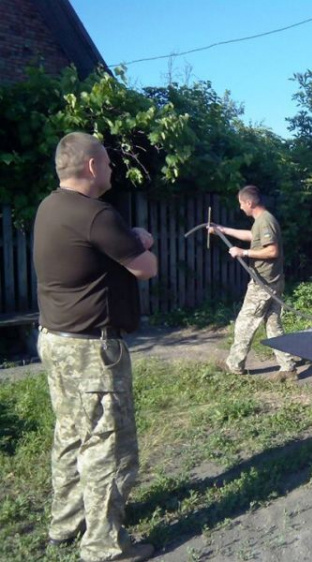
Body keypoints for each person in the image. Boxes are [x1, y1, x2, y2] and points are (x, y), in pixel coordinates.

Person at [33, 132, 158, 562]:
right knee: (106, 444)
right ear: (91, 167)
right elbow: (145, 268)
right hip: (91, 351)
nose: (110, 170)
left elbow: (95, 258)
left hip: (56, 340)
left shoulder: (50, 207)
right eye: (106, 163)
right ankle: (104, 546)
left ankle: (64, 524)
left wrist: (128, 237)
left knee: (70, 434)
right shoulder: (96, 215)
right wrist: (141, 239)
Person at [208, 185, 298, 380]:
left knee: (244, 323)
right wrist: (222, 230)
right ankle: (288, 368)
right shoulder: (262, 221)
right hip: (274, 281)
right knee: (274, 326)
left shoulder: (265, 222)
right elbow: (251, 236)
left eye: (241, 204)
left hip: (263, 284)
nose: (240, 207)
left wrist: (244, 252)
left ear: (249, 203)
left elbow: (272, 251)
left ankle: (234, 365)